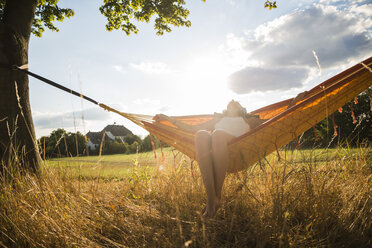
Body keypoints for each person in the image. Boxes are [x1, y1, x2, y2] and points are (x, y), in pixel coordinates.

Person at [153, 100, 266, 217]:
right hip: (216, 149)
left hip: (236, 149)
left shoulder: (249, 119)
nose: (232, 101)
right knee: (201, 134)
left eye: (236, 102)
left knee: (218, 134)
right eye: (230, 102)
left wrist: (287, 111)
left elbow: (276, 122)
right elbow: (191, 128)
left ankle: (216, 197)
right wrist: (169, 118)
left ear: (242, 109)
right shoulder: (218, 119)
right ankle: (211, 199)